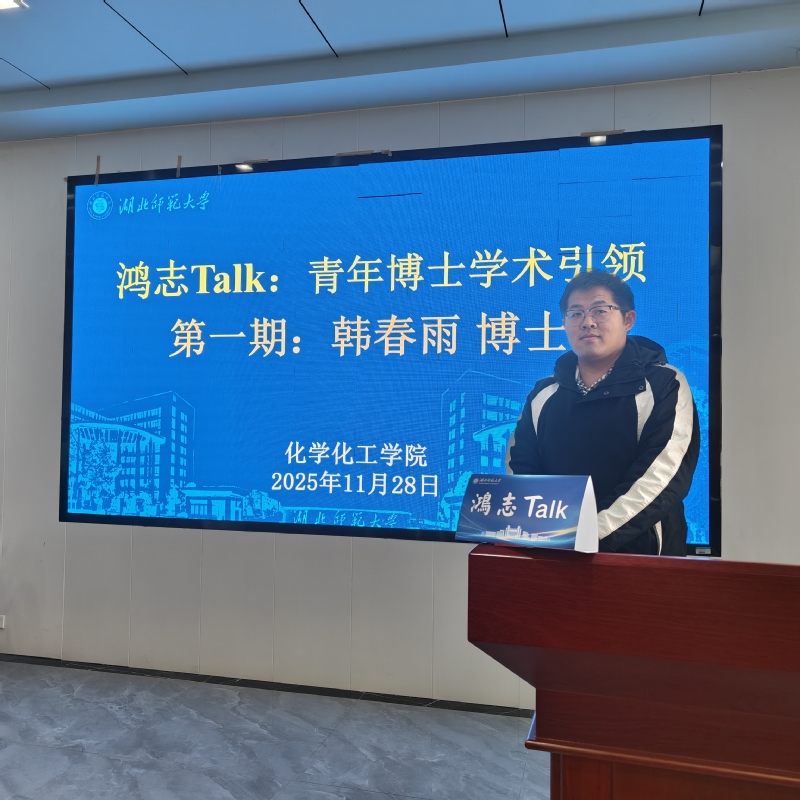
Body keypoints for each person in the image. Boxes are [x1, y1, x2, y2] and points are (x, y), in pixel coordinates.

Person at [506, 271, 699, 555]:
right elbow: (520, 466)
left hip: (640, 558)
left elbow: (661, 477)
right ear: (564, 324)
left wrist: (589, 537)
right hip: (552, 556)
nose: (587, 322)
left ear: (628, 319)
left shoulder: (664, 384)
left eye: (600, 310)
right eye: (576, 313)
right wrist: (539, 533)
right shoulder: (543, 393)